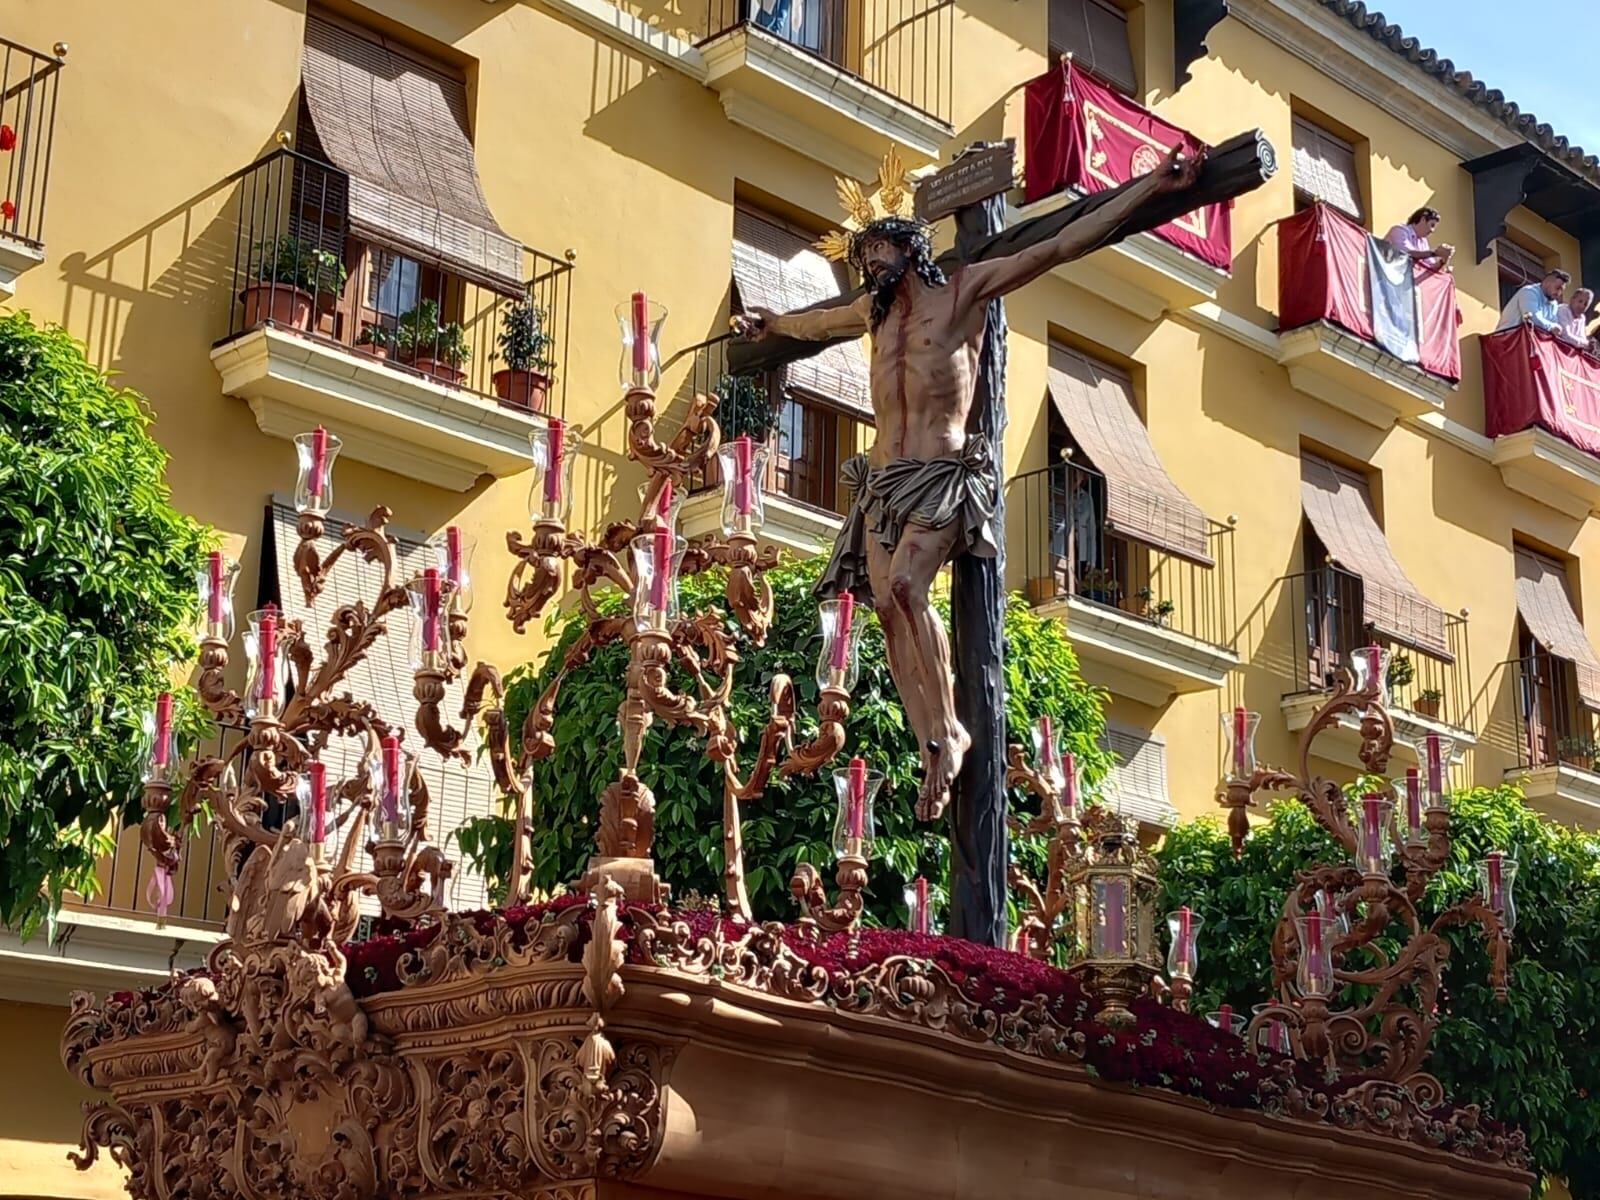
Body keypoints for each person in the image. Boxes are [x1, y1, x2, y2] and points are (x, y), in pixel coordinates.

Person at [737, 145, 1205, 819]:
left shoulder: (960, 292)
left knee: (905, 586)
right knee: (888, 610)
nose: (869, 267)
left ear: (910, 251)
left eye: (879, 254)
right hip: (882, 484)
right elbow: (813, 321)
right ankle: (933, 733)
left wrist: (1150, 189)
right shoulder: (873, 318)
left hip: (941, 475)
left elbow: (1061, 244)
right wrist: (771, 324)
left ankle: (954, 721)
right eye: (862, 259)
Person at [1496, 268, 1570, 334]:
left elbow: (1555, 327)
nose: (1559, 293)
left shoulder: (1554, 304)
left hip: (1527, 342)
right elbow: (1532, 319)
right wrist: (1552, 327)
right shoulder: (1529, 292)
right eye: (1557, 288)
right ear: (1547, 282)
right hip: (1506, 340)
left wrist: (1554, 327)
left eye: (1562, 290)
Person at [1384, 207, 1454, 267]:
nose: (1432, 230)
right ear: (1423, 219)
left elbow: (1430, 266)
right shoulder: (1399, 230)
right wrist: (1435, 253)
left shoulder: (1423, 242)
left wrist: (1444, 259)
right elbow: (1409, 254)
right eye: (1432, 225)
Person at [1556, 287, 1595, 352]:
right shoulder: (1562, 309)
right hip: (1557, 349)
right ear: (1572, 299)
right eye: (1580, 301)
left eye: (1586, 304)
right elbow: (1566, 336)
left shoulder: (1582, 318)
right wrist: (1586, 344)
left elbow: (1582, 338)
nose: (1582, 306)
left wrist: (1587, 344)